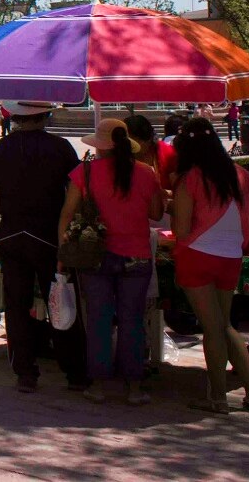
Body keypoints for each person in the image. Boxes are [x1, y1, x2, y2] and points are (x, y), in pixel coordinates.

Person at [0, 100, 90, 394]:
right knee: (62, 302)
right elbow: (77, 192)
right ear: (45, 115)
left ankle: (25, 373)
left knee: (16, 307)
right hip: (51, 237)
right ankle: (75, 372)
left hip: (13, 237)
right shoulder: (61, 148)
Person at [58, 119, 163, 405]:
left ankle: (99, 386)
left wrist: (62, 252)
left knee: (99, 320)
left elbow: (67, 214)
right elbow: (156, 212)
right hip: (137, 256)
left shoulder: (85, 172)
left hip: (95, 256)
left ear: (100, 145)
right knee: (132, 321)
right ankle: (134, 388)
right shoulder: (146, 172)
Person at [171, 118, 249, 414]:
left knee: (212, 329)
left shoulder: (190, 178)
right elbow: (248, 222)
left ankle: (217, 398)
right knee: (225, 326)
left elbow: (182, 230)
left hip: (196, 256)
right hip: (231, 258)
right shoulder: (242, 175)